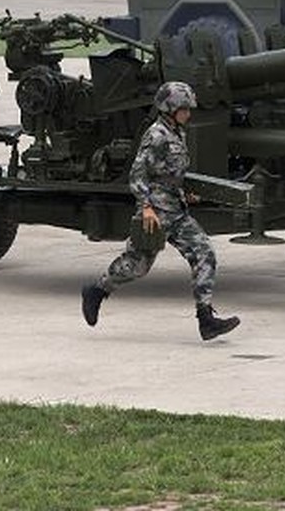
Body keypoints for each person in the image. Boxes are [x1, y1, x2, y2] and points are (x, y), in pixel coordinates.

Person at [81, 81, 240, 341]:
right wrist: (146, 207)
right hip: (156, 212)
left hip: (176, 210)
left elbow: (170, 173)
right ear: (170, 109)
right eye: (184, 109)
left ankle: (206, 319)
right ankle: (97, 291)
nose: (189, 114)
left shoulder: (177, 132)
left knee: (204, 253)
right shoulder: (156, 135)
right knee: (137, 265)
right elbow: (137, 174)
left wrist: (183, 192)